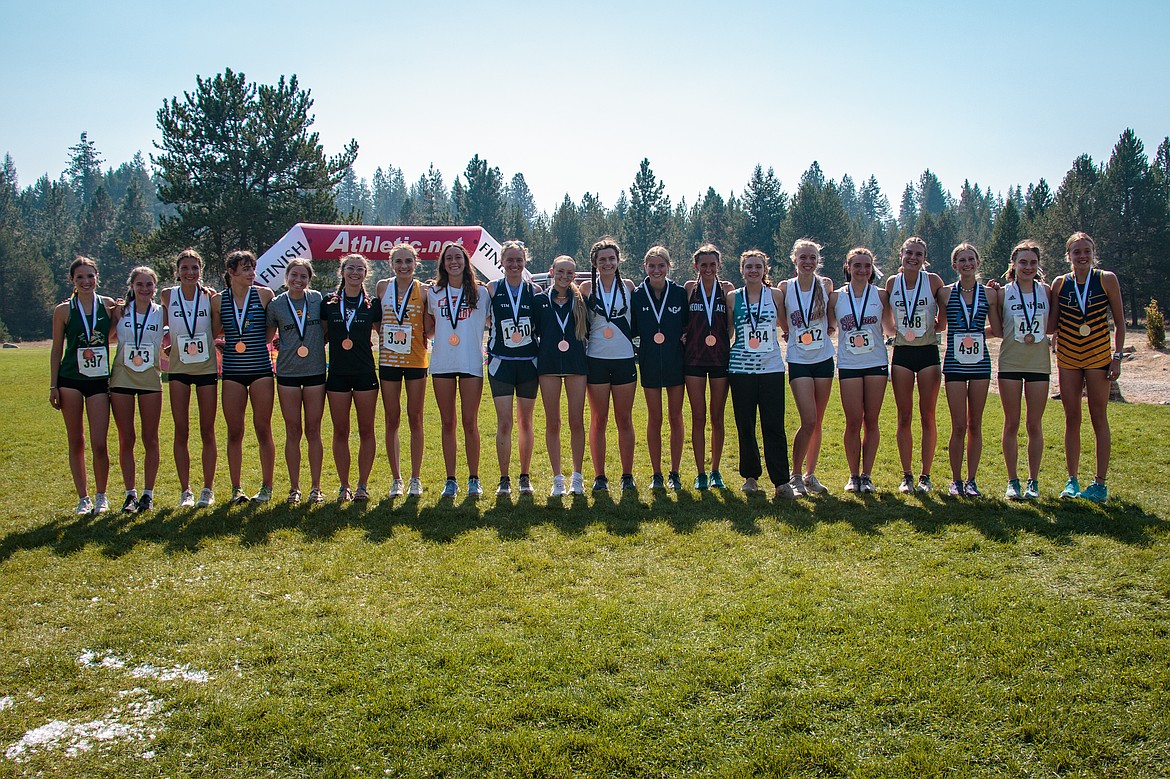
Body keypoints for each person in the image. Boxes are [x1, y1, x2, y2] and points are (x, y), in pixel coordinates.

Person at [1050, 231, 1125, 503]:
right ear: (1068, 255)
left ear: (1094, 253)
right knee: (1072, 418)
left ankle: (1100, 484)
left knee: (1098, 417)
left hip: (1098, 358)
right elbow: (1051, 323)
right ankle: (1072, 481)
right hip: (1069, 358)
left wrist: (1116, 357)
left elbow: (1119, 322)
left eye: (1086, 251)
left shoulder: (1106, 279)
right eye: (1076, 252)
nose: (1082, 256)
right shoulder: (1060, 283)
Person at [49, 256, 116, 515]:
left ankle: (101, 495)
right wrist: (53, 385)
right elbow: (57, 350)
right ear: (72, 281)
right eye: (80, 278)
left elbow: (116, 331)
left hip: (99, 380)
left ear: (97, 277)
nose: (86, 282)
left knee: (100, 443)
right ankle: (83, 498)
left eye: (90, 276)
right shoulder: (63, 310)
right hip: (70, 381)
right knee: (76, 441)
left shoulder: (108, 305)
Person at [989, 239, 1052, 501]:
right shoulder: (1003, 293)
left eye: (1033, 262)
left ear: (1038, 266)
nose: (1028, 267)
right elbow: (998, 330)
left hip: (1039, 364)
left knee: (1034, 424)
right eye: (1023, 262)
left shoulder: (1047, 291)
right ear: (1013, 265)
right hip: (1011, 363)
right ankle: (1012, 480)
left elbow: (1051, 327)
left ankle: (1033, 481)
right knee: (1012, 423)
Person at [212, 249, 276, 504]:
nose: (252, 274)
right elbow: (215, 330)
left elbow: (269, 336)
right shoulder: (218, 300)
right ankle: (236, 488)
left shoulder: (264, 295)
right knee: (235, 431)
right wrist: (222, 342)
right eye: (246, 269)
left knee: (263, 429)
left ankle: (267, 486)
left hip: (260, 370)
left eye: (253, 268)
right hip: (232, 373)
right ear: (231, 272)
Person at [728, 250, 793, 499]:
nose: (753, 271)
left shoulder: (775, 295)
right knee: (745, 425)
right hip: (741, 370)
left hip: (771, 369)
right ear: (742, 270)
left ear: (765, 269)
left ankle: (781, 481)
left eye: (758, 266)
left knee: (774, 425)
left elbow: (785, 326)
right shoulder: (733, 298)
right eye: (749, 267)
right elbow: (727, 331)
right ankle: (751, 476)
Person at [427, 241, 489, 498]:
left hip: (471, 362)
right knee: (447, 422)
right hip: (442, 363)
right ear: (443, 263)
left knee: (469, 422)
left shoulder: (482, 292)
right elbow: (428, 328)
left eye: (458, 258)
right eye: (449, 258)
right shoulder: (433, 293)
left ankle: (474, 478)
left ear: (466, 262)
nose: (454, 262)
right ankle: (450, 479)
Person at [885, 236, 946, 494]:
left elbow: (944, 314)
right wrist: (893, 333)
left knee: (928, 415)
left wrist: (936, 328)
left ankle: (925, 475)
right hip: (902, 355)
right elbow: (886, 316)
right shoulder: (892, 282)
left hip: (928, 353)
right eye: (909, 252)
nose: (913, 257)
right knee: (904, 416)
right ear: (901, 254)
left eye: (918, 254)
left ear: (924, 257)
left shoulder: (933, 281)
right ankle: (907, 474)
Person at [777, 239, 836, 496]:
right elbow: (782, 319)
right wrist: (790, 332)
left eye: (812, 257)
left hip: (823, 358)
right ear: (795, 260)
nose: (808, 262)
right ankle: (795, 475)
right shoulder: (784, 288)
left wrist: (830, 327)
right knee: (808, 419)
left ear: (818, 260)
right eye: (803, 257)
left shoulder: (826, 285)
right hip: (799, 359)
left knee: (817, 421)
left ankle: (811, 476)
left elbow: (831, 315)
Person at [161, 248, 218, 507]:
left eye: (195, 267)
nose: (190, 272)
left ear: (201, 270)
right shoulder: (166, 295)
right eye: (185, 267)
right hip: (178, 370)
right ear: (177, 271)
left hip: (206, 368)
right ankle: (186, 490)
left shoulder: (210, 298)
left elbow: (217, 327)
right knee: (181, 430)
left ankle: (208, 488)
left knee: (208, 430)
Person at [322, 253, 382, 502]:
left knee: (367, 430)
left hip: (365, 373)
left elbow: (385, 333)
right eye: (350, 268)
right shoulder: (328, 303)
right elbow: (321, 337)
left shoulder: (372, 304)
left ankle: (362, 485)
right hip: (337, 374)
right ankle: (344, 485)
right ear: (342, 272)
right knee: (340, 431)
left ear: (366, 274)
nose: (355, 272)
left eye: (360, 269)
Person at [267, 258, 326, 505]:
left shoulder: (317, 299)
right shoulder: (276, 305)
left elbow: (325, 330)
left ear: (309, 279)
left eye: (303, 276)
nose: (298, 280)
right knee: (293, 431)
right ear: (286, 276)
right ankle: (294, 488)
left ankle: (316, 487)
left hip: (314, 372)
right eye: (294, 275)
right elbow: (268, 336)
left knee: (313, 430)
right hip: (288, 373)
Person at [580, 237, 638, 492]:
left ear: (618, 260)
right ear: (594, 262)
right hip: (596, 359)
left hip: (624, 359)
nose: (607, 263)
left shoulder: (628, 286)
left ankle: (627, 475)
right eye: (602, 259)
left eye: (611, 259)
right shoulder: (585, 288)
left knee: (624, 419)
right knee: (598, 420)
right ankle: (599, 476)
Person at [486, 240, 540, 497]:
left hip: (529, 364)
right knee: (505, 422)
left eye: (519, 260)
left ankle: (525, 476)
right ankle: (504, 478)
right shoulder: (492, 288)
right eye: (510, 260)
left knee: (525, 421)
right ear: (501, 262)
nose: (515, 264)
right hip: (501, 364)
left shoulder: (535, 290)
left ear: (525, 262)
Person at [834, 248, 891, 493]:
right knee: (853, 420)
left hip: (876, 362)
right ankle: (853, 475)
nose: (862, 270)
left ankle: (867, 475)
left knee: (872, 420)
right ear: (848, 266)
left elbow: (891, 326)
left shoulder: (881, 295)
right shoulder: (836, 297)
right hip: (849, 363)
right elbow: (825, 324)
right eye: (857, 265)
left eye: (867, 265)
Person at [376, 243, 430, 498]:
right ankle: (396, 478)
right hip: (388, 361)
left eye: (408, 261)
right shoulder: (382, 287)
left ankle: (415, 478)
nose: (403, 266)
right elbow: (378, 320)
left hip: (416, 361)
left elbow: (429, 327)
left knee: (415, 418)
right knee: (391, 418)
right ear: (391, 263)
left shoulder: (424, 290)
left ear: (415, 263)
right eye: (398, 261)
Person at [631, 246, 687, 491]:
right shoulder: (637, 294)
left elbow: (686, 326)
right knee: (655, 418)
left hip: (676, 362)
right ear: (645, 267)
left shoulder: (678, 293)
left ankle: (674, 472)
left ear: (668, 266)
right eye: (652, 266)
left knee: (676, 417)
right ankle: (656, 474)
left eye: (661, 266)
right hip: (650, 362)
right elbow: (633, 329)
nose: (656, 270)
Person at [109, 267, 165, 513]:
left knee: (150, 438)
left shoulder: (161, 313)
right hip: (121, 377)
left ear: (155, 287)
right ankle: (130, 494)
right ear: (131, 285)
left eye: (149, 284)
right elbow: (107, 335)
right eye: (139, 284)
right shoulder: (120, 311)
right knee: (126, 438)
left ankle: (148, 494)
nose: (144, 289)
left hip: (150, 379)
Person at [939, 243, 992, 497]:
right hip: (954, 364)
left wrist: (976, 335)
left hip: (980, 362)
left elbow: (999, 329)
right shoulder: (946, 294)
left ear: (978, 263)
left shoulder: (990, 294)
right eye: (962, 260)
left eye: (971, 259)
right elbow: (940, 325)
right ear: (954, 265)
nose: (967, 263)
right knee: (958, 425)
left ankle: (972, 480)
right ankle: (956, 480)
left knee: (975, 424)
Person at [535, 255, 589, 497]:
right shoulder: (538, 301)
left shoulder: (581, 301)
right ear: (551, 271)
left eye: (570, 273)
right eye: (560, 271)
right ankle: (557, 478)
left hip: (576, 364)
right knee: (553, 422)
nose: (565, 276)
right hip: (548, 366)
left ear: (574, 276)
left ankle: (577, 477)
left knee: (576, 421)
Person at [683, 244, 734, 490]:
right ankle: (700, 473)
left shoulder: (727, 290)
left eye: (712, 264)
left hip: (720, 359)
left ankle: (715, 471)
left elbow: (731, 326)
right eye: (703, 264)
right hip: (693, 359)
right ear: (696, 266)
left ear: (718, 265)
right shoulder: (689, 289)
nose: (708, 268)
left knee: (717, 417)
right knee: (698, 416)